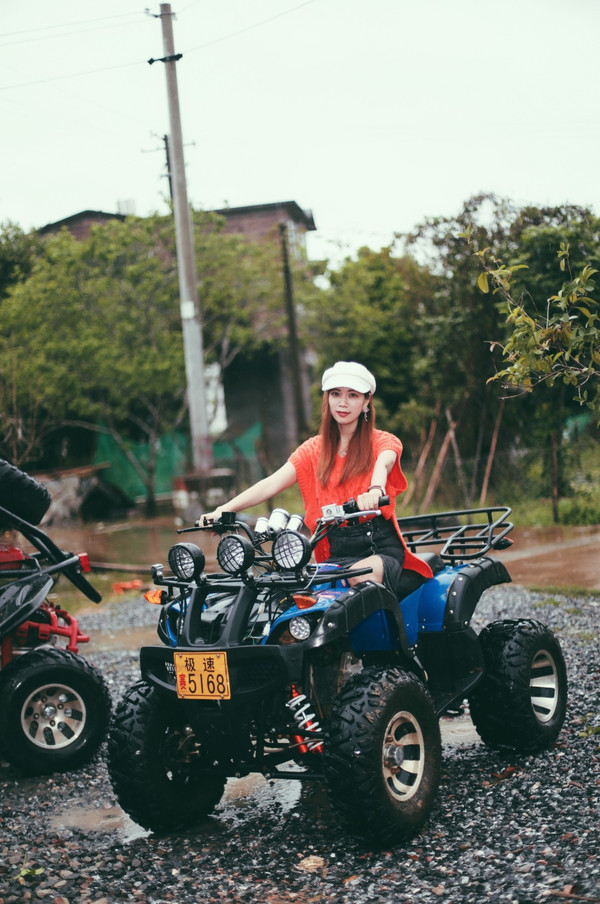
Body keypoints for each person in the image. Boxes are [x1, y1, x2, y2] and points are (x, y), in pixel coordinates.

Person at [200, 361, 432, 595]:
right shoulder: (312, 450)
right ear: (327, 398)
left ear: (366, 401)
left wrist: (375, 490)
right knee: (287, 589)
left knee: (360, 575)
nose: (342, 402)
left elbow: (384, 462)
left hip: (378, 551)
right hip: (334, 553)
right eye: (336, 394)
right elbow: (271, 483)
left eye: (352, 395)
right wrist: (223, 510)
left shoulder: (382, 441)